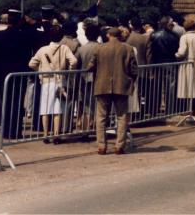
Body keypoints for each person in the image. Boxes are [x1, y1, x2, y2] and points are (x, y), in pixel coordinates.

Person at [86, 27, 138, 155]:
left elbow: (90, 67)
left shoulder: (99, 48)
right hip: (122, 86)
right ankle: (119, 145)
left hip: (102, 86)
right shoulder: (128, 49)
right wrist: (130, 81)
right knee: (122, 117)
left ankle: (101, 146)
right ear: (119, 35)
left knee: (101, 117)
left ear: (108, 35)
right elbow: (134, 70)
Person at [0, 9, 36, 139]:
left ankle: (5, 131)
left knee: (5, 102)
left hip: (3, 74)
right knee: (17, 103)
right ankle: (15, 131)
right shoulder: (24, 36)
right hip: (19, 74)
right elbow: (28, 55)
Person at [28, 26, 78, 143]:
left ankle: (45, 135)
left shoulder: (42, 49)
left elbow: (31, 64)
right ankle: (56, 135)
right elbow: (74, 61)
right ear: (61, 36)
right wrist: (69, 72)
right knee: (58, 109)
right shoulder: (64, 48)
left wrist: (40, 71)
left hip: (46, 82)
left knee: (45, 110)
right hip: (60, 81)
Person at [147, 16, 179, 117]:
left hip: (157, 63)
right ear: (168, 24)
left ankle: (153, 110)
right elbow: (176, 50)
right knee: (170, 88)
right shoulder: (174, 36)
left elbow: (151, 51)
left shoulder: (153, 35)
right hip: (170, 63)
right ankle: (170, 110)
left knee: (156, 88)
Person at [175, 19, 195, 116]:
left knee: (187, 86)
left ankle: (188, 110)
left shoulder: (184, 37)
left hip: (187, 63)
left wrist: (176, 55)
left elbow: (182, 52)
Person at [75, 23, 101, 132]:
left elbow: (76, 65)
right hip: (100, 79)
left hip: (85, 80)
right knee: (100, 105)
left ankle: (85, 131)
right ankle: (97, 128)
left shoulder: (82, 49)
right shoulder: (102, 47)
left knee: (86, 106)